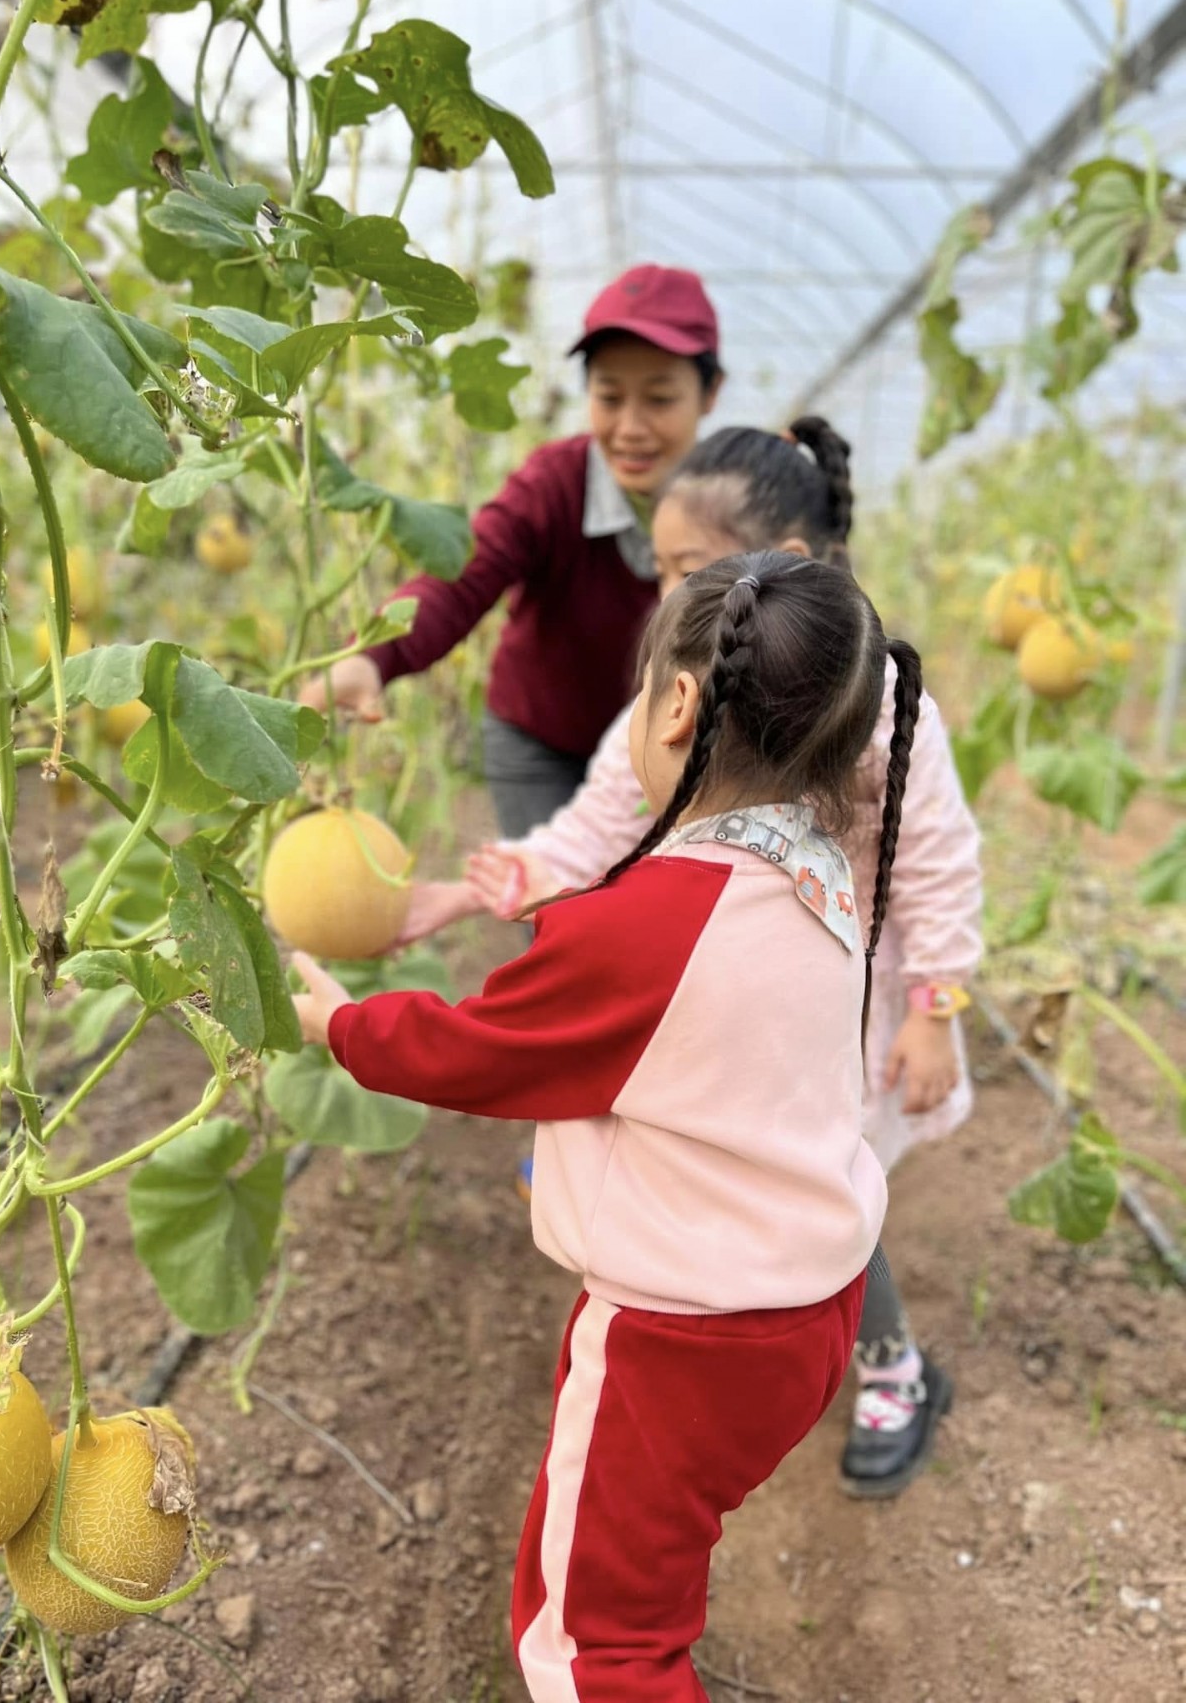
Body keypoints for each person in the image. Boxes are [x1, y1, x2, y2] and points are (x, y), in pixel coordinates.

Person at [292, 549, 922, 1701]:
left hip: (680, 1344)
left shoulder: (647, 927)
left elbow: (478, 1049)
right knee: (645, 1557)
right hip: (803, 1311)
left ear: (677, 703)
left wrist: (338, 1024)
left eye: (641, 689)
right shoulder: (823, 874)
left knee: (593, 1644)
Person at [405, 424, 983, 1499]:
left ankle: (891, 1365)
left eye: (686, 571)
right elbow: (588, 834)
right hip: (727, 1006)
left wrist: (933, 1006)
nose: (663, 590)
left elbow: (940, 867)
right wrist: (474, 887)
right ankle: (749, 1362)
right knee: (765, 1194)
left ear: (787, 571)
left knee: (824, 1195)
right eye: (662, 568)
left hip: (828, 1011)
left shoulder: (880, 713)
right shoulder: (681, 696)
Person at [299, 264, 723, 836]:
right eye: (609, 396)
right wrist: (370, 656)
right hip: (540, 745)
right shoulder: (554, 483)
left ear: (710, 394)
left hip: (670, 745)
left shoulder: (734, 501)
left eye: (659, 398)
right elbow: (464, 575)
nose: (630, 427)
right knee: (553, 910)